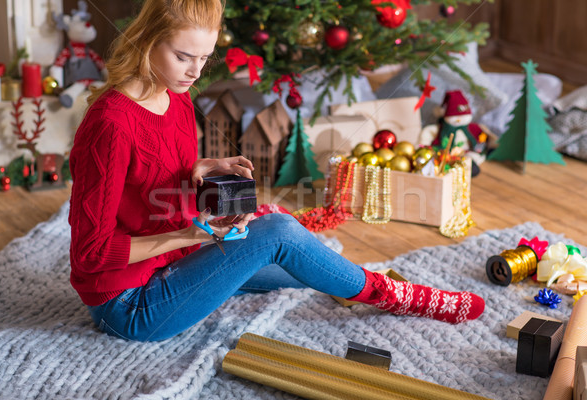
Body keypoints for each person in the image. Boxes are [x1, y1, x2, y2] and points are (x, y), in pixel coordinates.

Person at [69, 0, 485, 342]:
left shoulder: (174, 94)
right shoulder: (110, 124)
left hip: (175, 260)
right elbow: (90, 255)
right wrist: (192, 233)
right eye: (183, 56)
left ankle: (368, 284)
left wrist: (203, 168)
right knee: (281, 236)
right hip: (129, 304)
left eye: (204, 57)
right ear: (146, 40)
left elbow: (149, 179)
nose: (196, 71)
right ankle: (394, 295)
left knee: (298, 253)